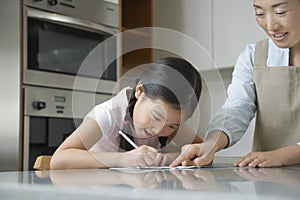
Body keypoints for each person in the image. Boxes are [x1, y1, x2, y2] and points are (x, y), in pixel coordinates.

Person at [170, 0, 300, 168]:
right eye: (259, 13)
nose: (271, 25)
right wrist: (211, 144)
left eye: (281, 12)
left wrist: (283, 156)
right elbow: (237, 109)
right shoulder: (253, 56)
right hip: (271, 180)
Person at [50, 57, 203, 169]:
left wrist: (166, 159)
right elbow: (59, 160)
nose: (158, 130)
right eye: (156, 117)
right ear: (140, 91)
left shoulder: (168, 120)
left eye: (172, 126)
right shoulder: (108, 114)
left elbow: (200, 151)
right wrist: (123, 159)